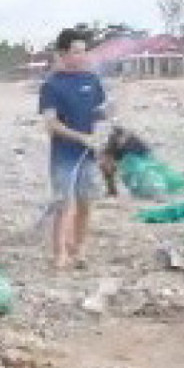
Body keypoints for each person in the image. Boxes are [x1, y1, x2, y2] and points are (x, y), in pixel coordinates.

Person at [39, 27, 107, 269]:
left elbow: (100, 112)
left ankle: (79, 249)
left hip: (89, 154)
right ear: (63, 53)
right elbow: (51, 123)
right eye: (76, 52)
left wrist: (100, 130)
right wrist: (80, 137)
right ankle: (59, 253)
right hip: (64, 155)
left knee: (85, 203)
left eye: (84, 51)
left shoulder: (92, 80)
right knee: (63, 204)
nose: (82, 56)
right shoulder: (51, 85)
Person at [97, 126, 152, 198]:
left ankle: (112, 191)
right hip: (135, 151)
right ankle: (112, 191)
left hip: (134, 152)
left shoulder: (114, 148)